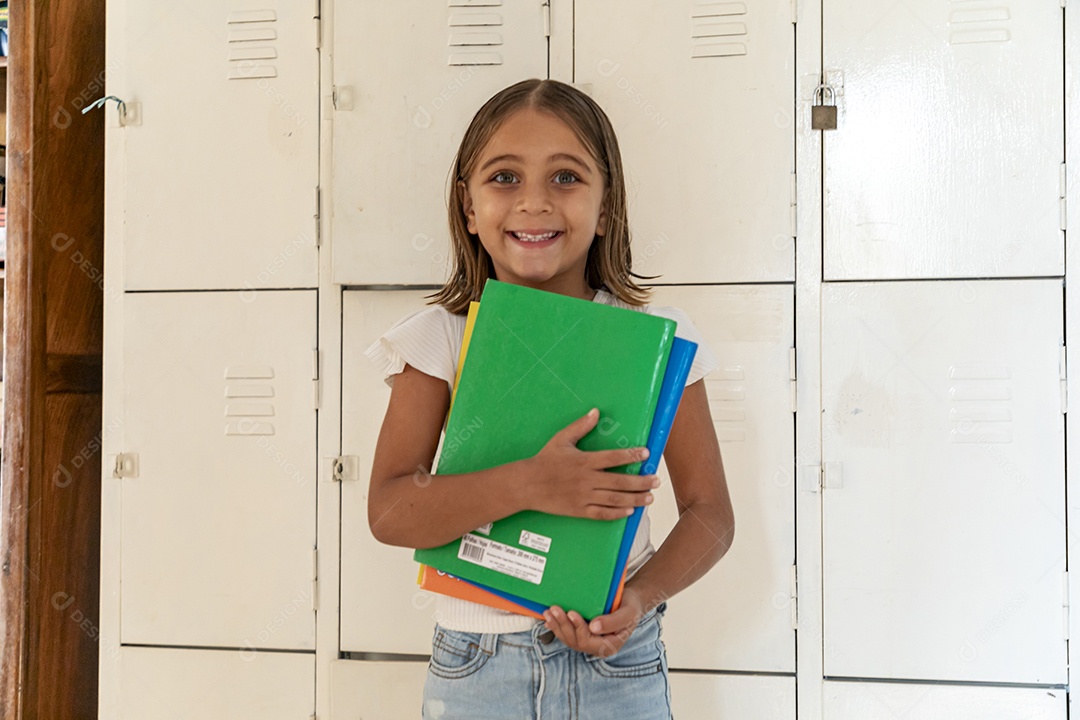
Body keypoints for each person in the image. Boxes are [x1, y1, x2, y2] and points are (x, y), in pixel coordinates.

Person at [365, 78, 735, 720]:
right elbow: (391, 511)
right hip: (479, 666)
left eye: (565, 178)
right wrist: (532, 483)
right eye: (504, 178)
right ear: (469, 207)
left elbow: (711, 514)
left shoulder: (657, 343)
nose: (534, 203)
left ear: (605, 205)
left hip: (621, 664)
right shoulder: (441, 337)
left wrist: (638, 599)